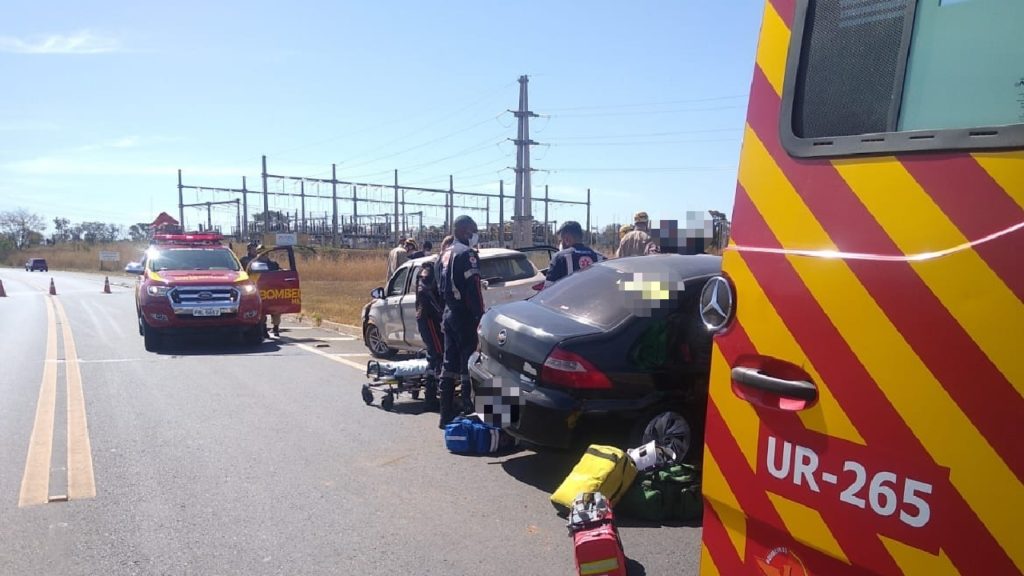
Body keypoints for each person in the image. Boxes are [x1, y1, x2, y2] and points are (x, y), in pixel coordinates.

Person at [436, 217, 485, 428]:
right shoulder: (467, 254)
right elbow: (473, 289)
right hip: (464, 315)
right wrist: (479, 315)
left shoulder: (442, 255)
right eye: (473, 231)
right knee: (468, 362)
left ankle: (445, 413)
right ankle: (468, 410)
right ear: (465, 231)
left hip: (448, 313)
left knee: (449, 364)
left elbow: (439, 288)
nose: (475, 235)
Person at [415, 261, 444, 410]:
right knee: (436, 354)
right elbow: (426, 293)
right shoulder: (428, 271)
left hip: (429, 318)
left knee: (437, 354)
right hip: (429, 319)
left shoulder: (433, 269)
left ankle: (432, 394)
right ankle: (431, 396)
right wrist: (440, 313)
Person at [543, 221, 603, 288]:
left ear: (567, 239)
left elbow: (547, 291)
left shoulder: (559, 258)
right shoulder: (601, 258)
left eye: (561, 240)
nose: (560, 244)